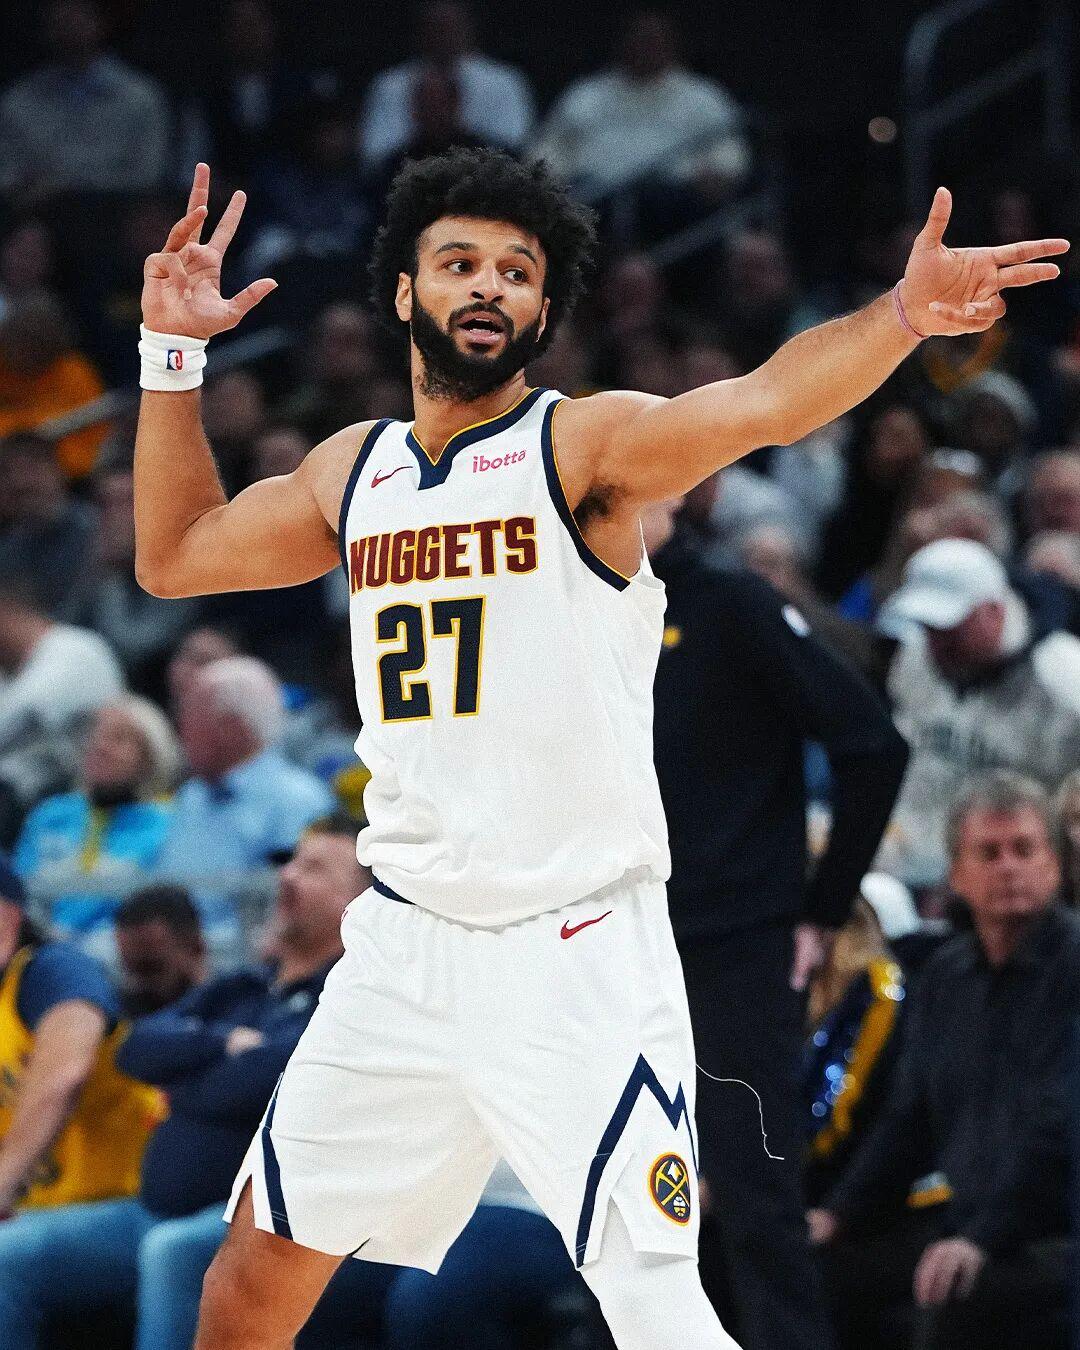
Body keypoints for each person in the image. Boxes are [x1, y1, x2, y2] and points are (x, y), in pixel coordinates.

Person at [131, 149, 1066, 1350]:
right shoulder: (352, 471)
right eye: (458, 263)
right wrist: (170, 356)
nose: (487, 285)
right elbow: (174, 556)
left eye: (516, 272)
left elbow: (763, 402)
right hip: (406, 945)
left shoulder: (581, 449)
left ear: (542, 312)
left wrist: (900, 318)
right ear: (406, 291)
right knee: (246, 1287)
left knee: (659, 1311)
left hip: (570, 950)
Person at [648, 499, 908, 1350]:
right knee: (627, 1214)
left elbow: (874, 746)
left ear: (674, 490)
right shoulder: (577, 610)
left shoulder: (734, 606)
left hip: (734, 950)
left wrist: (823, 909)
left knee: (758, 1207)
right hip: (617, 949)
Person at [0, 815, 366, 1350]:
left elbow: (265, 1083)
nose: (287, 875)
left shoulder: (349, 994)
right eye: (289, 861)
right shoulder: (243, 986)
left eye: (314, 869)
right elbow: (138, 1048)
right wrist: (223, 1046)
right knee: (9, 1254)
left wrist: (193, 1074)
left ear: (359, 902)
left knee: (172, 1252)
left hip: (259, 1224)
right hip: (152, 1209)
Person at [810, 772, 1080, 1349]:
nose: (1008, 868)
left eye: (1024, 850)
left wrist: (981, 1240)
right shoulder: (944, 977)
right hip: (969, 1221)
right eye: (989, 853)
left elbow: (1058, 1130)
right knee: (809, 1274)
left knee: (955, 1303)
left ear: (1055, 866)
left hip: (1055, 1231)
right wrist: (839, 1214)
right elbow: (908, 1122)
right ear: (956, 874)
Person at [877, 538, 1080, 888]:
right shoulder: (915, 658)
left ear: (995, 612)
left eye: (952, 630)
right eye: (929, 629)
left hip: (1013, 877)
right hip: (906, 859)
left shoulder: (1064, 682)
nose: (937, 645)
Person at [0, 855, 160, 1216]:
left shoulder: (53, 970)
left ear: (8, 918)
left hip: (120, 1199)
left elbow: (64, 1075)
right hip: (40, 1212)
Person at [158, 656, 334, 963]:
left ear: (230, 727)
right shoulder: (190, 796)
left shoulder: (297, 800)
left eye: (191, 719)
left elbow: (292, 917)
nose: (180, 732)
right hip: (167, 957)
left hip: (247, 962)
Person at [13, 696, 180, 953]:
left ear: (150, 758)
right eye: (96, 735)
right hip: (35, 953)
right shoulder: (50, 816)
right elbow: (18, 895)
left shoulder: (167, 826)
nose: (101, 746)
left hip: (117, 957)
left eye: (119, 739)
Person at [0, 568, 124, 848]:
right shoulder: (9, 668)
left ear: (7, 612)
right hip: (34, 805)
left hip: (87, 796)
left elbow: (23, 718)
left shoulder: (74, 649)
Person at [0, 0, 168, 202]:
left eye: (79, 9)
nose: (69, 19)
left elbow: (147, 177)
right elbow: (7, 177)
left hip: (118, 213)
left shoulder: (140, 98)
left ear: (101, 20)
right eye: (61, 10)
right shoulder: (18, 102)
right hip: (38, 214)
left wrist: (68, 188)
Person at [358, 0, 535, 172]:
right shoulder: (390, 84)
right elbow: (374, 156)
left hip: (485, 183)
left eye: (449, 27)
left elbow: (517, 146)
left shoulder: (504, 80)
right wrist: (425, 140)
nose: (442, 36)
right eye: (435, 28)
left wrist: (458, 135)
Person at [0, 430, 97, 621]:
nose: (21, 481)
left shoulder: (96, 530)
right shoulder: (9, 548)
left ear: (58, 471)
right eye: (9, 472)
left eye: (31, 467)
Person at [114, 883, 208, 1016]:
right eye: (128, 968)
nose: (137, 981)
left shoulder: (232, 1012)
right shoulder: (118, 1016)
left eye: (151, 967)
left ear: (195, 948)